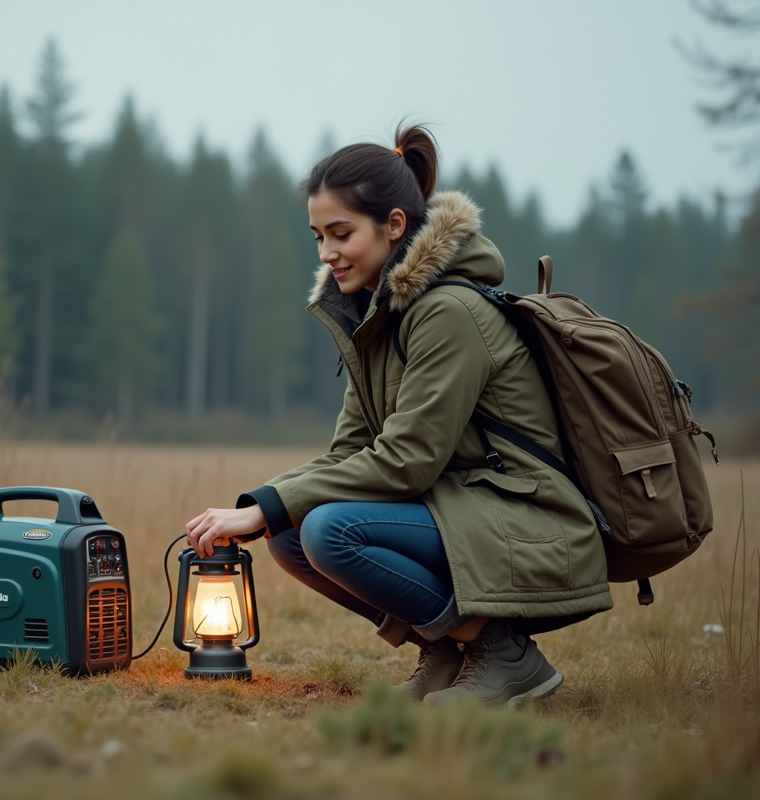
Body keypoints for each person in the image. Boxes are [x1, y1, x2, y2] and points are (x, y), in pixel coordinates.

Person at [184, 125, 612, 708]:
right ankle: (446, 651)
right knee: (288, 533)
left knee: (328, 531)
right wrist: (265, 507)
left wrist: (267, 503)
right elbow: (349, 454)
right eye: (318, 236)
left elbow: (408, 461)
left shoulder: (449, 313)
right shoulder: (378, 320)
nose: (326, 253)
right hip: (463, 512)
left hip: (531, 522)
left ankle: (504, 655)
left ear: (393, 225)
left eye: (342, 234)